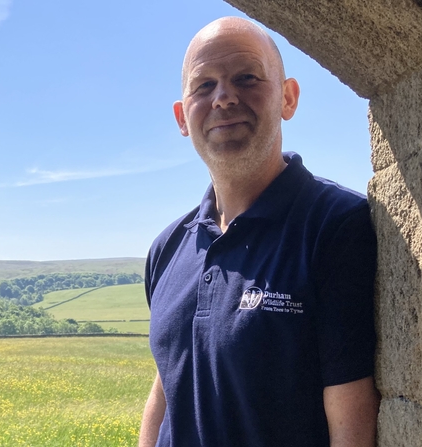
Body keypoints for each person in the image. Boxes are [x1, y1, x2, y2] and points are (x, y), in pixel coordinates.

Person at [139, 16, 380, 447]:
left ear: (288, 97)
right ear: (182, 117)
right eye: (203, 86)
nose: (224, 98)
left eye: (246, 78)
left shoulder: (336, 226)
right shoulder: (167, 248)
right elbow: (168, 381)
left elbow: (351, 415)